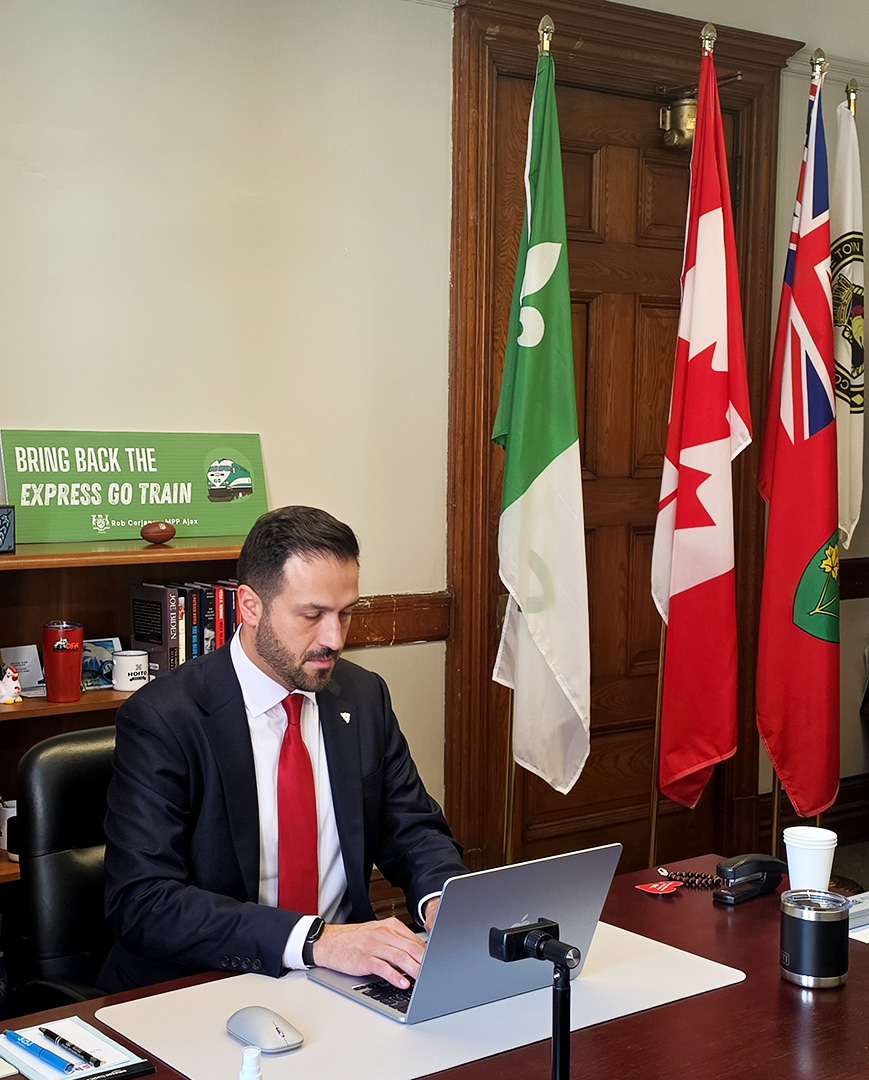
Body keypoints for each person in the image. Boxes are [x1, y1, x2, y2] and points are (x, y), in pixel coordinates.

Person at [100, 505, 467, 992]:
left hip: (346, 982)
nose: (334, 639)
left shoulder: (364, 696)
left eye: (346, 614)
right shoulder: (165, 719)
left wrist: (443, 901)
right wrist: (316, 940)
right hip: (208, 983)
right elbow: (144, 901)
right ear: (250, 606)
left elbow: (412, 829)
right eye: (312, 615)